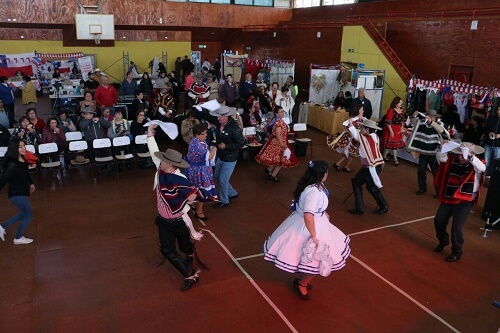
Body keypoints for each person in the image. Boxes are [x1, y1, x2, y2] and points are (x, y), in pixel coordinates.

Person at [263, 160, 351, 300]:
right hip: (310, 227)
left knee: (310, 259)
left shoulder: (315, 186)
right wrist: (314, 235)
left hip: (315, 222)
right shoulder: (313, 192)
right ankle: (302, 284)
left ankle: (301, 280)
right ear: (322, 174)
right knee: (318, 260)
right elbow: (308, 215)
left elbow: (311, 209)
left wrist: (323, 212)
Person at [146, 124, 213, 291]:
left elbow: (193, 191)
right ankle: (190, 274)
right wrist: (149, 133)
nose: (159, 161)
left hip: (179, 221)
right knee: (167, 250)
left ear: (170, 164)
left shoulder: (179, 178)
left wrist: (191, 198)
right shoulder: (160, 171)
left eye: (162, 161)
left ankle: (190, 254)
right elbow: (153, 149)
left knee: (184, 248)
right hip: (163, 221)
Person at [433, 142, 486, 262]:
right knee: (438, 220)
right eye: (459, 154)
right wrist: (442, 147)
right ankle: (443, 240)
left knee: (456, 227)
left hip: (465, 200)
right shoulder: (453, 160)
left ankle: (457, 251)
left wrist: (470, 157)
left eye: (464, 154)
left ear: (472, 155)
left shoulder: (476, 164)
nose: (461, 157)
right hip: (450, 197)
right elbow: (441, 157)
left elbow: (482, 168)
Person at [347, 118, 389, 215]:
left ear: (368, 129)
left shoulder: (369, 138)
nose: (361, 129)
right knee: (357, 182)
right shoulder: (372, 137)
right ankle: (360, 207)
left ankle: (383, 206)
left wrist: (351, 125)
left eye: (362, 128)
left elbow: (357, 137)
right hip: (371, 166)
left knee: (370, 187)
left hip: (371, 167)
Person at [0, 138, 36, 245]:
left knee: (24, 213)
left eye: (24, 145)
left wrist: (31, 183)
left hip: (21, 191)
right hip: (16, 194)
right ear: (14, 148)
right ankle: (18, 238)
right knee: (28, 215)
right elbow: (3, 180)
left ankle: (2, 227)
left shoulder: (22, 159)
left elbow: (26, 173)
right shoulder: (12, 164)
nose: (23, 148)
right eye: (20, 147)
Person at [408, 109, 449, 197]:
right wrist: (414, 116)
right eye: (429, 117)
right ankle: (422, 188)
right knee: (421, 171)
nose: (430, 118)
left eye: (432, 117)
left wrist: (431, 122)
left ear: (435, 117)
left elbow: (441, 130)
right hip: (423, 152)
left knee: (436, 173)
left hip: (434, 153)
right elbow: (413, 123)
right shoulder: (422, 122)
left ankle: (439, 191)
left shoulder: (439, 123)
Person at [210, 106, 245, 208]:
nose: (218, 118)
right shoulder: (220, 124)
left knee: (223, 180)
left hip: (230, 158)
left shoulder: (235, 128)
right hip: (221, 156)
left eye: (220, 117)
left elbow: (241, 143)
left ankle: (225, 200)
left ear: (226, 116)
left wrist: (226, 146)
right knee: (217, 177)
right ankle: (232, 193)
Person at [255, 106, 299, 181]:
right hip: (278, 143)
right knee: (282, 160)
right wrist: (282, 144)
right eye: (281, 112)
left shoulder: (279, 121)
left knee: (278, 160)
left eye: (283, 111)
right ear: (276, 114)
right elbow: (278, 134)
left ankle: (269, 170)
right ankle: (272, 175)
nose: (283, 113)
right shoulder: (278, 122)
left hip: (279, 142)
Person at [185, 124, 218, 221]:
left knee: (195, 188)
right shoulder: (199, 146)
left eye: (206, 133)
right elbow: (209, 157)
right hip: (200, 171)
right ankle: (199, 211)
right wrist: (214, 149)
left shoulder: (193, 141)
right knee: (202, 190)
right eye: (203, 134)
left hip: (192, 169)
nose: (205, 136)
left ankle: (194, 205)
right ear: (197, 135)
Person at [331, 105, 365, 173]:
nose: (363, 111)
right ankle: (343, 166)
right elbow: (346, 126)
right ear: (359, 111)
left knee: (350, 154)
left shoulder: (362, 119)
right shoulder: (353, 119)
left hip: (356, 139)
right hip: (352, 139)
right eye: (362, 110)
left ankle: (340, 164)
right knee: (350, 154)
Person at [381, 96, 408, 166]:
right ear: (396, 103)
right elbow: (388, 122)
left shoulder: (401, 110)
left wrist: (402, 128)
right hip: (391, 128)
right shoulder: (391, 110)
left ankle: (384, 156)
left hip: (397, 129)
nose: (401, 102)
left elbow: (402, 121)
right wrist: (391, 131)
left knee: (391, 145)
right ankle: (395, 159)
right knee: (392, 144)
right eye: (400, 102)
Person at [483, 105, 500, 177]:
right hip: (488, 144)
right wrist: (489, 133)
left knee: (495, 163)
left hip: (498, 146)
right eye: (498, 109)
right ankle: (485, 177)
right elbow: (484, 129)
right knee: (486, 162)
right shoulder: (491, 118)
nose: (499, 111)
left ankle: (492, 179)